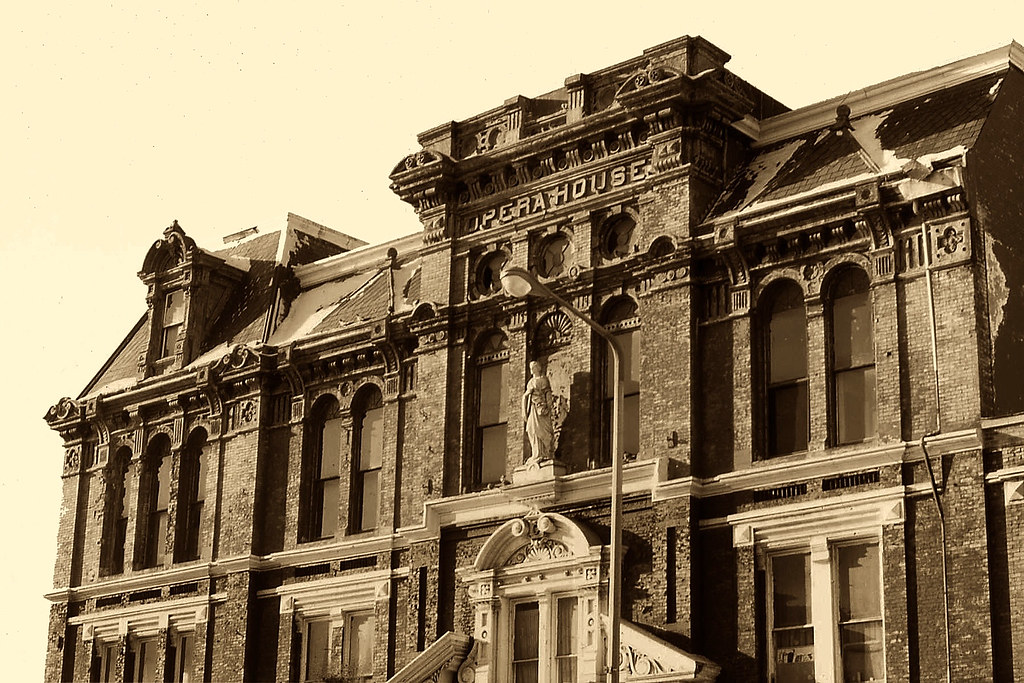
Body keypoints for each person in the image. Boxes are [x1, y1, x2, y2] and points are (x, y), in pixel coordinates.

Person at [523, 360, 555, 462]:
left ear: (538, 368)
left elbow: (548, 394)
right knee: (532, 429)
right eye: (531, 367)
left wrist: (548, 407)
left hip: (542, 409)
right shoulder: (530, 382)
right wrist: (527, 394)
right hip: (533, 409)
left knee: (542, 430)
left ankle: (544, 453)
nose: (532, 369)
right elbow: (526, 397)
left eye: (534, 367)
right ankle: (536, 453)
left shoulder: (544, 380)